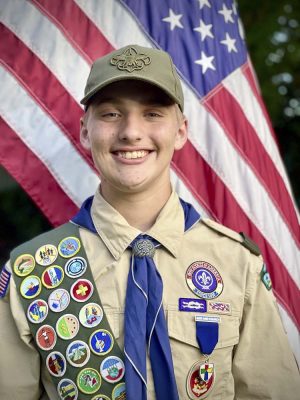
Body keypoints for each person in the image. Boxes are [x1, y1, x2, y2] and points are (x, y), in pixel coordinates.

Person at [0, 44, 299, 400]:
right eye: (111, 114)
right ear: (84, 130)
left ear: (181, 131)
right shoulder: (32, 272)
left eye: (153, 114)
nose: (131, 132)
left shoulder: (236, 263)